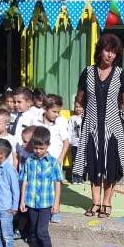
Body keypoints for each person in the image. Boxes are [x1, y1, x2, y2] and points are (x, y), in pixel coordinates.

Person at [73, 34, 124, 219]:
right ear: (100, 51)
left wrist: (112, 114)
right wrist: (81, 109)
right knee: (93, 164)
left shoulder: (121, 74)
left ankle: (107, 202)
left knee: (110, 167)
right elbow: (80, 98)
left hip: (112, 128)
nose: (110, 55)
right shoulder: (87, 72)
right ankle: (95, 202)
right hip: (91, 126)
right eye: (107, 50)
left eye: (114, 52)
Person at [19, 127, 63, 247]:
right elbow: (25, 180)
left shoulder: (53, 162)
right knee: (32, 230)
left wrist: (56, 203)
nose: (38, 151)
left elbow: (57, 182)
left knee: (41, 231)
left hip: (46, 204)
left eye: (41, 148)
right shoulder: (29, 161)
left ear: (48, 145)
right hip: (31, 202)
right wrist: (22, 200)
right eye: (36, 148)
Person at [34, 94, 70, 223]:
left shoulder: (61, 121)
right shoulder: (36, 120)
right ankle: (39, 209)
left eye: (58, 111)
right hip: (39, 160)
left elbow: (66, 141)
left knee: (55, 185)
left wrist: (61, 158)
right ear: (45, 108)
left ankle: (55, 210)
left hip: (54, 160)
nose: (57, 114)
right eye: (54, 111)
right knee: (40, 184)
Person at [68, 100, 84, 174]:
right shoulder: (72, 118)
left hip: (83, 144)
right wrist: (69, 141)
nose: (78, 108)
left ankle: (83, 176)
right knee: (75, 160)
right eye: (76, 107)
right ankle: (75, 176)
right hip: (74, 144)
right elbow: (69, 130)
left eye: (80, 107)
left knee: (83, 161)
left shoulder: (85, 117)